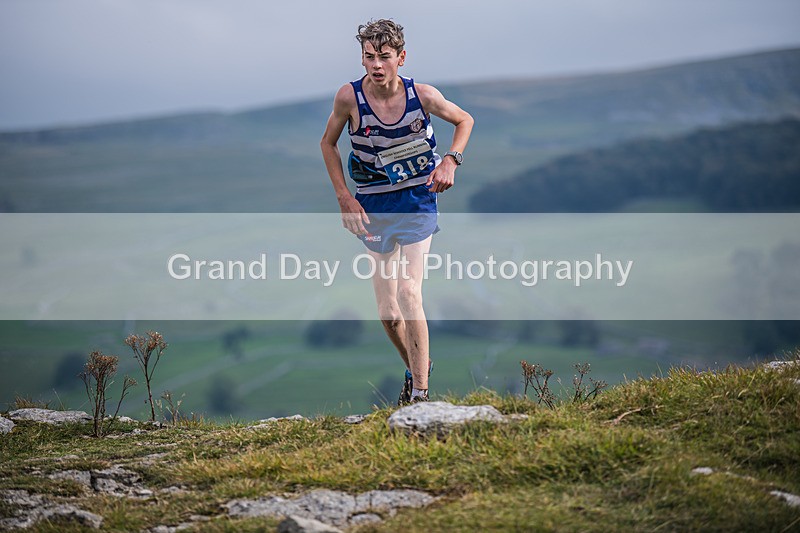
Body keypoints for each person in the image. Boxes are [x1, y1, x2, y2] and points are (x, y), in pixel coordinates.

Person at [320, 19, 473, 405]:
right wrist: (344, 197)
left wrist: (451, 162)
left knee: (409, 291)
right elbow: (328, 144)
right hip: (373, 203)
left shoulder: (421, 95)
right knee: (388, 314)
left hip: (418, 197)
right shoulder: (348, 98)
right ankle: (419, 366)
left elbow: (464, 120)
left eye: (384, 57)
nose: (375, 65)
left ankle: (420, 397)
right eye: (368, 57)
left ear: (401, 58)